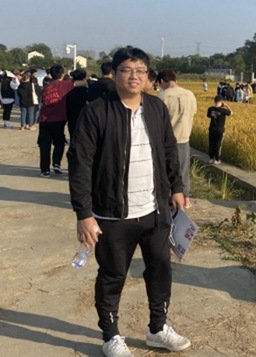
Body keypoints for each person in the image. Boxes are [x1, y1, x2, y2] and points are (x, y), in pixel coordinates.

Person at [68, 46, 190, 357]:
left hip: (155, 210)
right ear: (115, 73)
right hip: (112, 214)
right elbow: (80, 163)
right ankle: (110, 336)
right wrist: (84, 213)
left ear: (149, 77)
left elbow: (169, 150)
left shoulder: (156, 107)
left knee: (160, 270)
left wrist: (176, 188)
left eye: (140, 71)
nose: (134, 76)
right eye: (126, 70)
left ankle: (157, 328)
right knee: (112, 276)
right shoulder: (97, 111)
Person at [157, 69, 198, 208]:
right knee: (184, 169)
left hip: (167, 141)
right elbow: (193, 112)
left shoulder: (162, 97)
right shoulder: (190, 94)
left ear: (161, 81)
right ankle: (186, 198)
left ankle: (171, 198)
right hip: (184, 138)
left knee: (168, 170)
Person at [37, 65, 77, 178]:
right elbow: (79, 83)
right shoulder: (65, 85)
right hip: (59, 119)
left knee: (44, 145)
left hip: (44, 119)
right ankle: (56, 163)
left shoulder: (46, 87)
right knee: (59, 143)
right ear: (62, 75)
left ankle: (45, 170)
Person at [207, 95, 232, 164]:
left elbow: (209, 116)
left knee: (211, 143)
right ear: (221, 102)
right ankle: (217, 159)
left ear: (214, 101)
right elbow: (231, 113)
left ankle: (211, 158)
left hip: (212, 129)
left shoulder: (210, 109)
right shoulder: (223, 110)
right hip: (220, 130)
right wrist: (226, 106)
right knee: (218, 144)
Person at [66, 69, 89, 140]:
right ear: (84, 78)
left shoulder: (69, 93)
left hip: (72, 120)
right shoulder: (88, 92)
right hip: (85, 120)